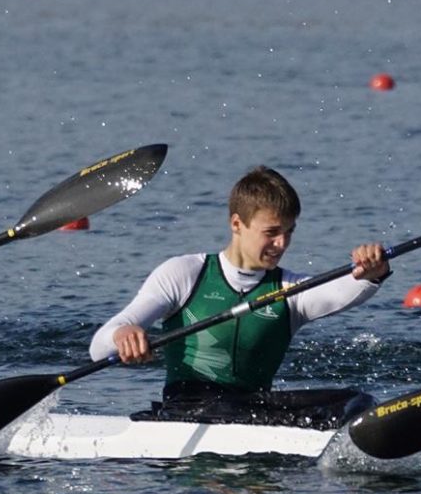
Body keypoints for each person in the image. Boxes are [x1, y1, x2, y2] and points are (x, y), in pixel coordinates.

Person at [90, 165, 392, 428]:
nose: (282, 243)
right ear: (237, 224)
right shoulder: (183, 273)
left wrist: (371, 271)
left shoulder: (289, 290)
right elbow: (98, 347)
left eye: (289, 232)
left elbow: (341, 290)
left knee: (357, 401)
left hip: (254, 408)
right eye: (271, 232)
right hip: (189, 409)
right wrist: (123, 335)